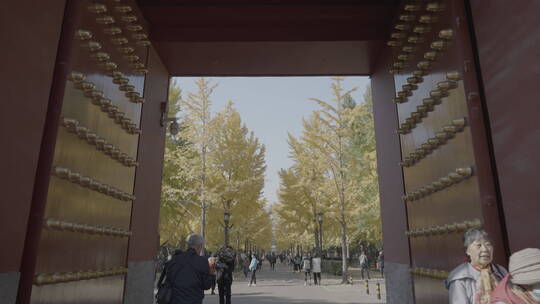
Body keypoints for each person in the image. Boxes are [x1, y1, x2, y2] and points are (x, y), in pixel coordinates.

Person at [445, 228, 507, 304]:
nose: (485, 249)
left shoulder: (501, 271)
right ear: (467, 251)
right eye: (479, 245)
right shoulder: (459, 278)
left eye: (488, 244)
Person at [169, 234, 216, 304]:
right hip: (193, 300)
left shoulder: (176, 258)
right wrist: (211, 273)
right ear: (199, 245)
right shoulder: (202, 261)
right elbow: (207, 285)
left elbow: (169, 278)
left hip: (175, 300)